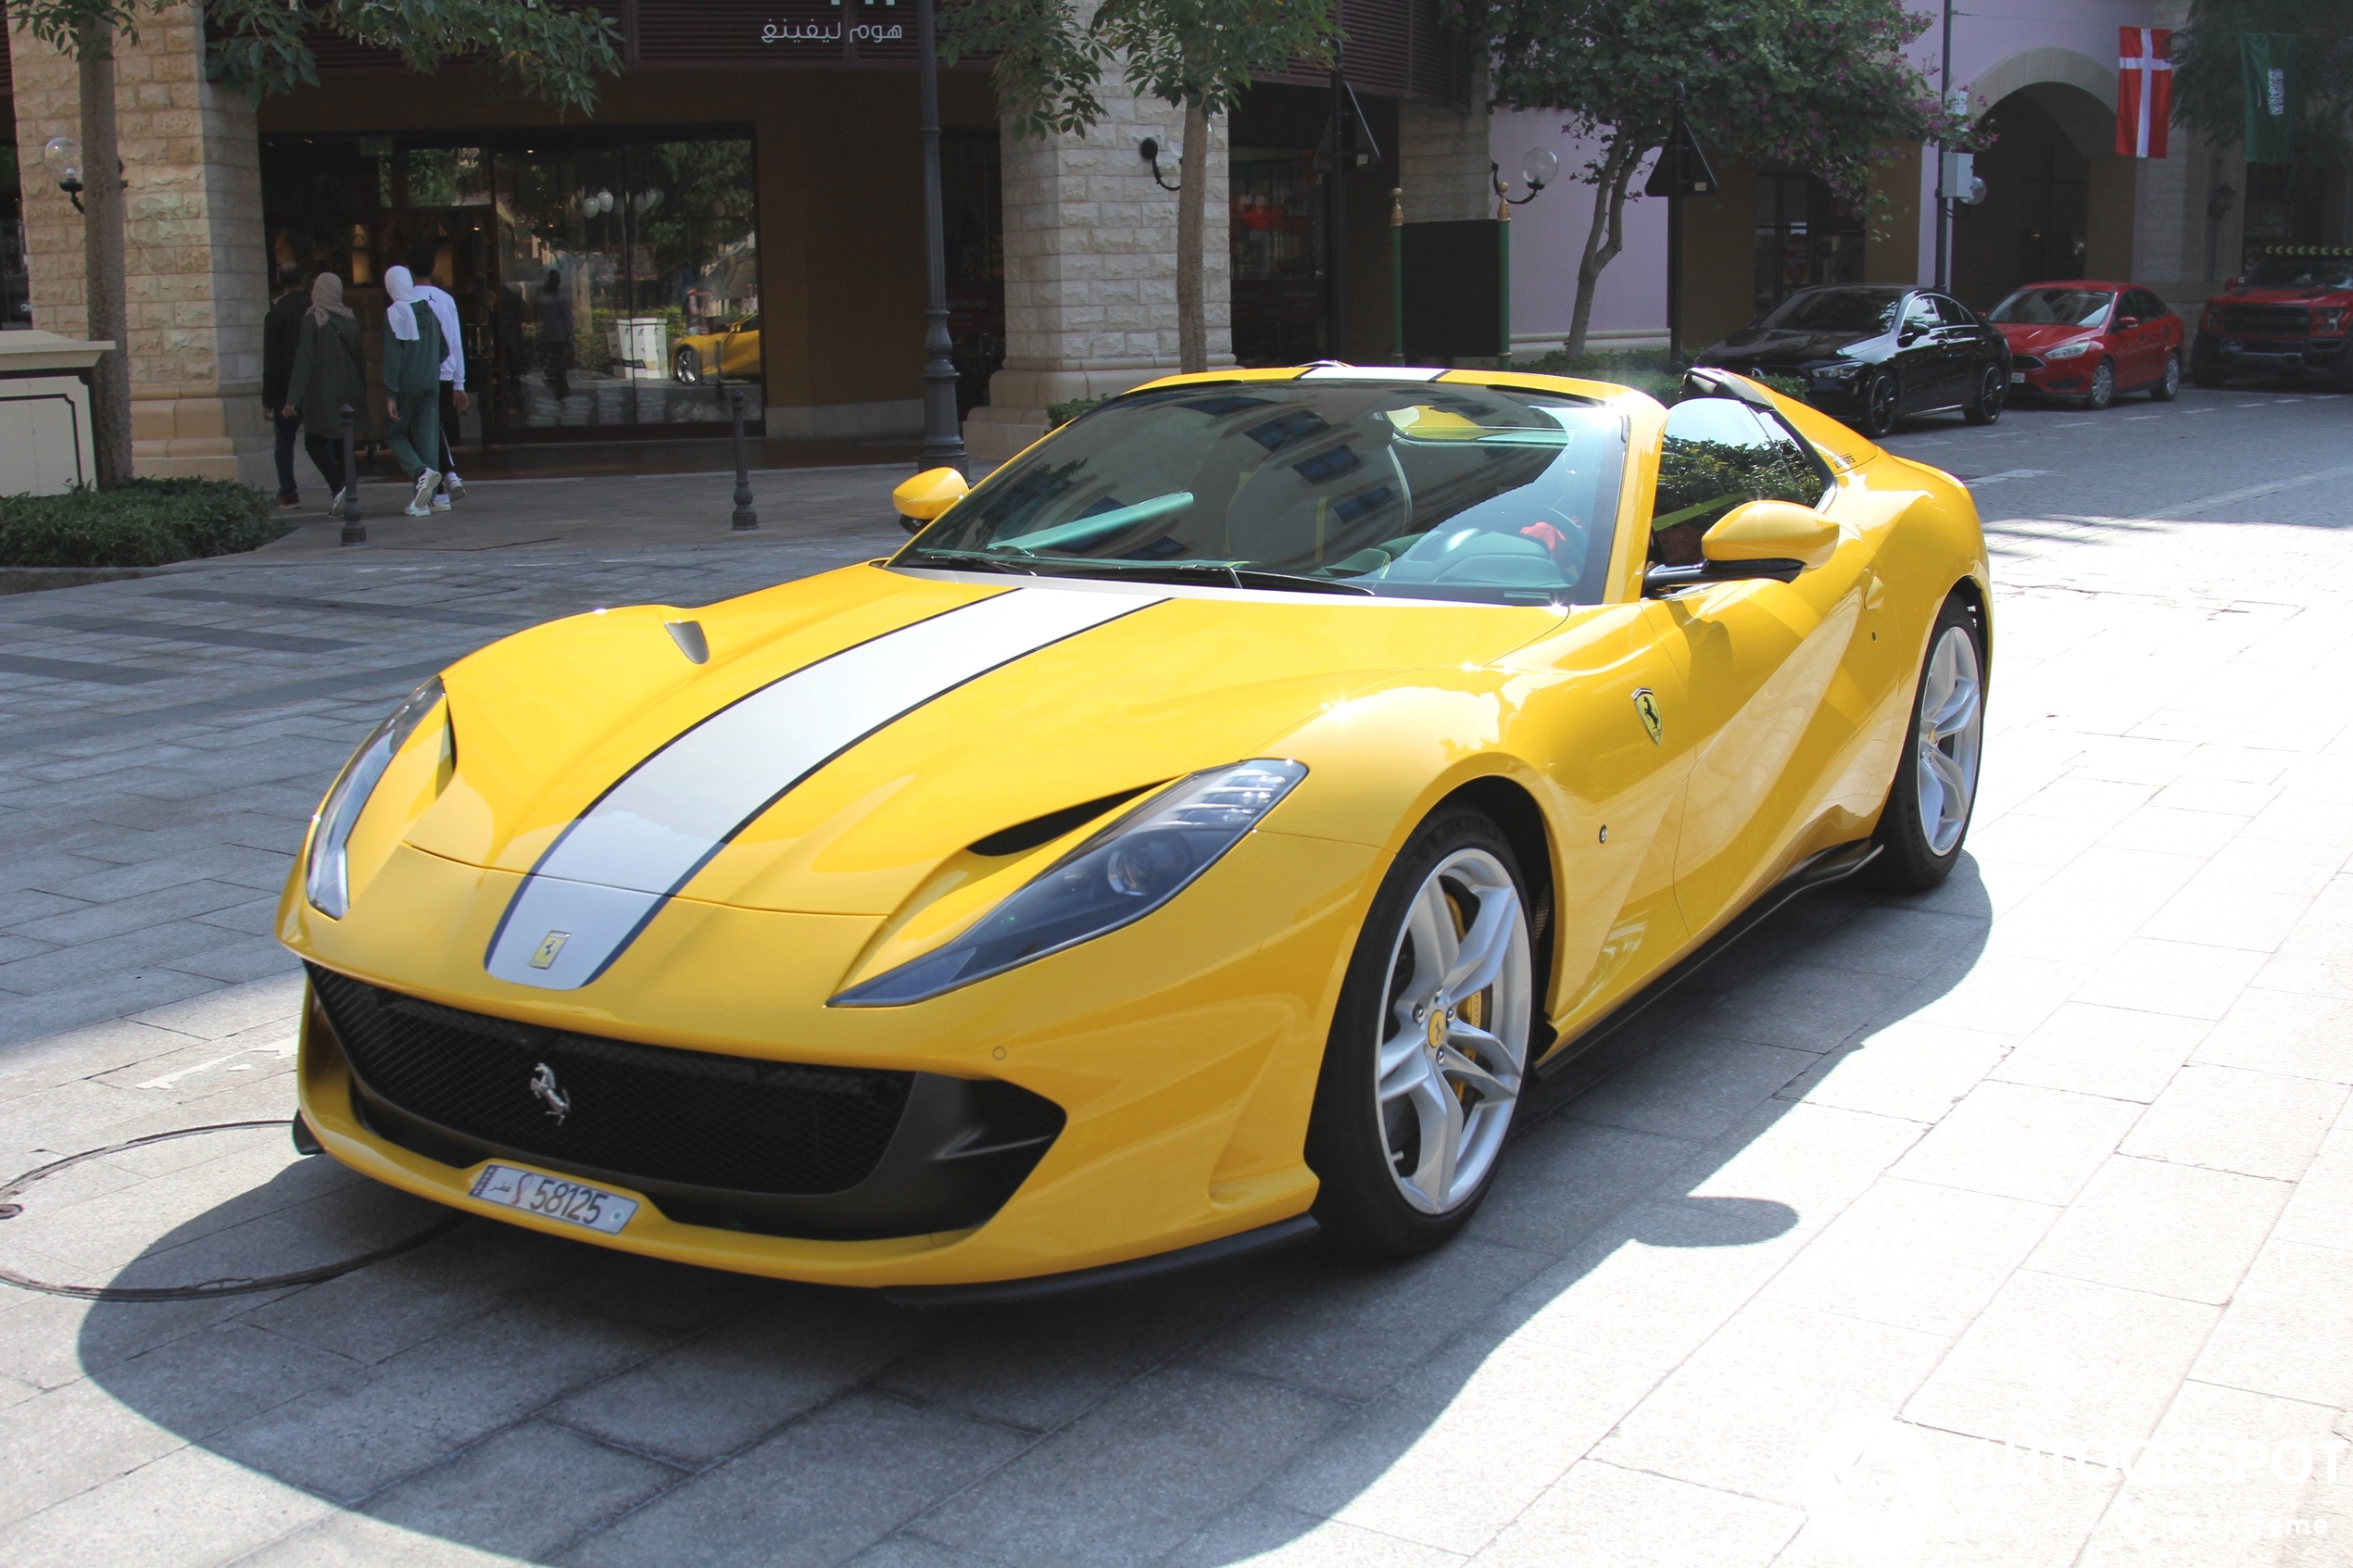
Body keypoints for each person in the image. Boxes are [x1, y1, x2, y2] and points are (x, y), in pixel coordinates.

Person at [281, 272, 365, 515]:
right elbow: (360, 357)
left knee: (314, 442)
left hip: (322, 392)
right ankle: (346, 491)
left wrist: (293, 400)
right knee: (343, 443)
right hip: (349, 391)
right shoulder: (350, 318)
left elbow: (304, 360)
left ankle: (339, 487)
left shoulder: (315, 318)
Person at [404, 244, 469, 507]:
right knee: (434, 427)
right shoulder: (445, 299)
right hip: (444, 371)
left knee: (424, 430)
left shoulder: (404, 301)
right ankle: (445, 481)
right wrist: (459, 381)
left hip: (417, 373)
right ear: (434, 267)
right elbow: (455, 342)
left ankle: (443, 483)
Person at [381, 265, 447, 518]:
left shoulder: (394, 312)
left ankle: (421, 473)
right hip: (431, 382)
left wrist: (390, 393)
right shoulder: (427, 310)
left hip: (406, 384)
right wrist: (429, 366)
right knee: (427, 436)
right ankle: (423, 501)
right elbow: (444, 349)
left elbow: (392, 356)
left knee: (395, 434)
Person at [260, 262, 309, 509]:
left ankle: (288, 492)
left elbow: (272, 360)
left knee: (284, 442)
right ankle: (339, 487)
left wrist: (267, 400)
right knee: (325, 439)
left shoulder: (275, 315)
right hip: (313, 385)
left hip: (284, 388)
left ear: (279, 281)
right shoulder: (315, 310)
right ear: (304, 280)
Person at [534, 268, 574, 404]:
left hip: (559, 338)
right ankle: (560, 390)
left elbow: (567, 319)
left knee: (558, 367)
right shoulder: (543, 298)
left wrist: (570, 338)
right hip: (548, 337)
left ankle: (562, 391)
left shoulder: (562, 298)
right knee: (549, 367)